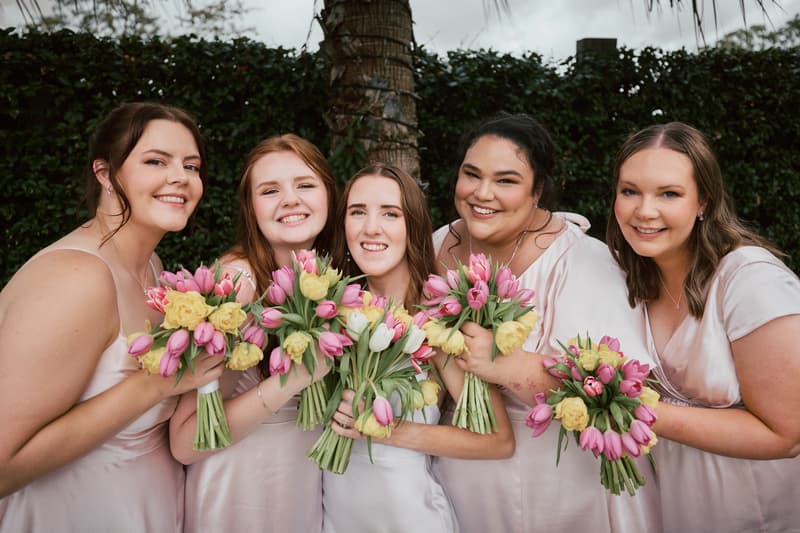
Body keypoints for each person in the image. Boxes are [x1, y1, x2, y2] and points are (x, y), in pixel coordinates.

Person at [430, 112, 661, 533]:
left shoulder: (583, 261)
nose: (483, 193)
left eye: (506, 180)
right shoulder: (438, 242)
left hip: (551, 478)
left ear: (537, 190)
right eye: (471, 174)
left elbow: (618, 390)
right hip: (455, 466)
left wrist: (508, 365)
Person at [0, 102, 225, 532]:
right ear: (104, 173)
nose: (180, 177)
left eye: (191, 165)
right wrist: (159, 382)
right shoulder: (76, 278)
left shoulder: (154, 265)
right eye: (156, 161)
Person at [607, 122, 800, 533]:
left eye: (669, 194)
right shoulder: (631, 282)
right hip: (681, 506)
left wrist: (630, 409)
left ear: (703, 202)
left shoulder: (750, 279)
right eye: (630, 191)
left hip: (763, 510)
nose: (644, 210)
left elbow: (789, 435)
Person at [323, 163, 515, 533]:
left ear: (412, 226)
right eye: (357, 211)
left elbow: (497, 440)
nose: (371, 227)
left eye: (390, 214)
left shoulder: (435, 318)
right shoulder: (328, 310)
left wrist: (383, 430)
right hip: (333, 514)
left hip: (407, 516)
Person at [169, 134, 336, 533]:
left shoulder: (326, 273)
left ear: (330, 195)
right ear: (251, 208)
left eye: (305, 185)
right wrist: (293, 379)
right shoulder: (238, 283)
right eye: (270, 190)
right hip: (243, 487)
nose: (291, 199)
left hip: (301, 478)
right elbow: (186, 440)